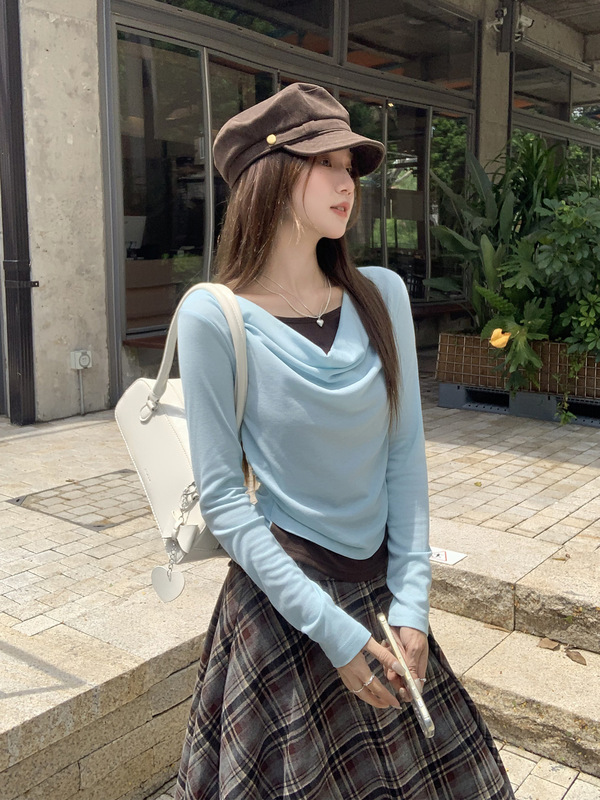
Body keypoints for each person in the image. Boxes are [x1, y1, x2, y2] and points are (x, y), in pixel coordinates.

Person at [175, 83, 514, 800]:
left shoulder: (380, 295)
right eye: (323, 163)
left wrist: (414, 603)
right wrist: (331, 631)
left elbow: (404, 458)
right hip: (287, 606)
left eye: (350, 165)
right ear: (269, 176)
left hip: (385, 594)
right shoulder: (215, 317)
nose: (346, 181)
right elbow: (226, 502)